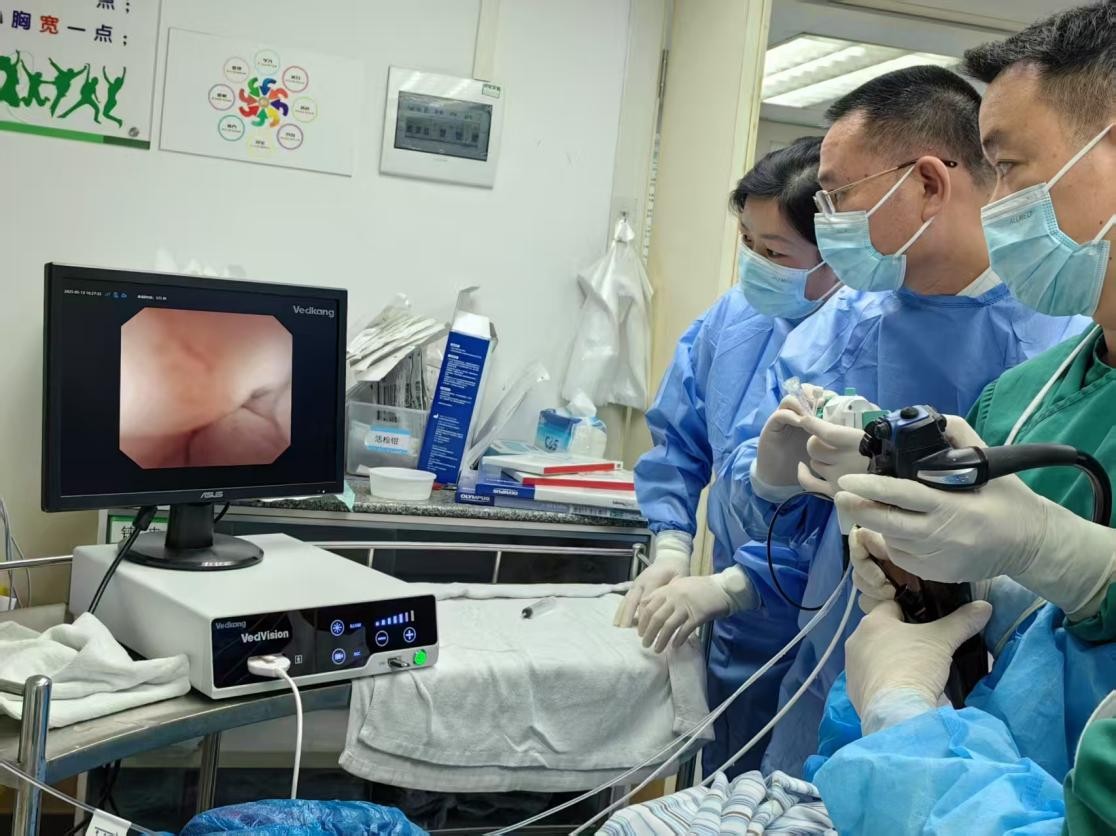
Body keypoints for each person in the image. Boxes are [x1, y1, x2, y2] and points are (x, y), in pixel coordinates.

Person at [658, 65, 1088, 780]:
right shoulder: (837, 330)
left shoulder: (1061, 339)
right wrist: (770, 478)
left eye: (837, 197)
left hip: (1005, 704)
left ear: (927, 185)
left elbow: (1064, 551)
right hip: (835, 670)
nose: (827, 222)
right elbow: (767, 526)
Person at [812, 3, 1116, 832]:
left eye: (1010, 168)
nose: (995, 203)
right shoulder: (1021, 397)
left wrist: (905, 717)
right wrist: (928, 576)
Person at [616, 137, 855, 773]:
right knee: (723, 786)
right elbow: (681, 436)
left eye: (774, 252)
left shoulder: (864, 338)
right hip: (737, 629)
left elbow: (847, 521)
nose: (754, 264)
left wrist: (738, 585)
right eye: (747, 242)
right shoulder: (737, 317)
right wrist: (672, 545)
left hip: (829, 629)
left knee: (797, 789)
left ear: (838, 252)